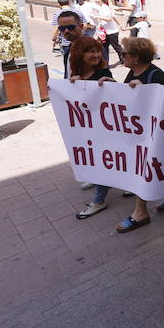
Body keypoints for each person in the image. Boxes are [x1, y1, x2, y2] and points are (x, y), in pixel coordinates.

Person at [115, 38, 164, 233]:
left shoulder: (155, 74)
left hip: (153, 133)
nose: (121, 56)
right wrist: (111, 86)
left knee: (142, 168)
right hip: (140, 130)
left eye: (124, 53)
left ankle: (140, 212)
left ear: (136, 56)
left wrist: (144, 91)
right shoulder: (133, 72)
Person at [69, 35, 117, 214]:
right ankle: (99, 181)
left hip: (104, 128)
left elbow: (117, 97)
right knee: (96, 159)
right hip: (89, 128)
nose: (96, 55)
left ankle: (98, 201)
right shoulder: (78, 75)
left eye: (98, 51)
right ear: (80, 55)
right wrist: (72, 85)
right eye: (91, 51)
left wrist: (112, 84)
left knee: (102, 162)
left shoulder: (103, 73)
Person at [52, 0, 88, 77]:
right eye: (62, 28)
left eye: (71, 27)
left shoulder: (91, 47)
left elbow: (101, 73)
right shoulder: (78, 11)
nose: (66, 31)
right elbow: (86, 25)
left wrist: (54, 38)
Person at [91, 0, 124, 65]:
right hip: (105, 33)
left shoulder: (105, 7)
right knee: (104, 48)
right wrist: (119, 24)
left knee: (116, 47)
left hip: (112, 32)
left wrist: (97, 16)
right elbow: (114, 16)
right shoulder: (100, 8)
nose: (96, 1)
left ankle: (124, 60)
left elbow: (109, 18)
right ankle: (105, 64)